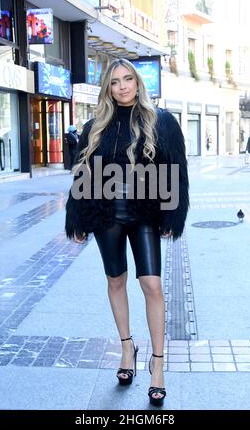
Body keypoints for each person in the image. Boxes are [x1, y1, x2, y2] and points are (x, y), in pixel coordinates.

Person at [65, 58, 189, 407]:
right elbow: (82, 173)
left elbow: (176, 170)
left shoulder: (160, 121)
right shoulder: (95, 126)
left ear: (138, 83)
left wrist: (172, 214)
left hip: (145, 211)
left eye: (128, 79)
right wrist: (77, 217)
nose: (122, 86)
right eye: (115, 82)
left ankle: (158, 364)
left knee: (151, 284)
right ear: (107, 88)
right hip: (106, 213)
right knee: (116, 279)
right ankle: (126, 348)